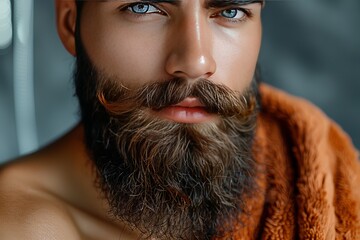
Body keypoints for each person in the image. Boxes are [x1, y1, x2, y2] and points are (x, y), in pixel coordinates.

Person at [0, 0, 359, 239]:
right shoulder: (22, 226)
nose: (196, 60)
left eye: (231, 11)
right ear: (70, 23)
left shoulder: (312, 171)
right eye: (143, 7)